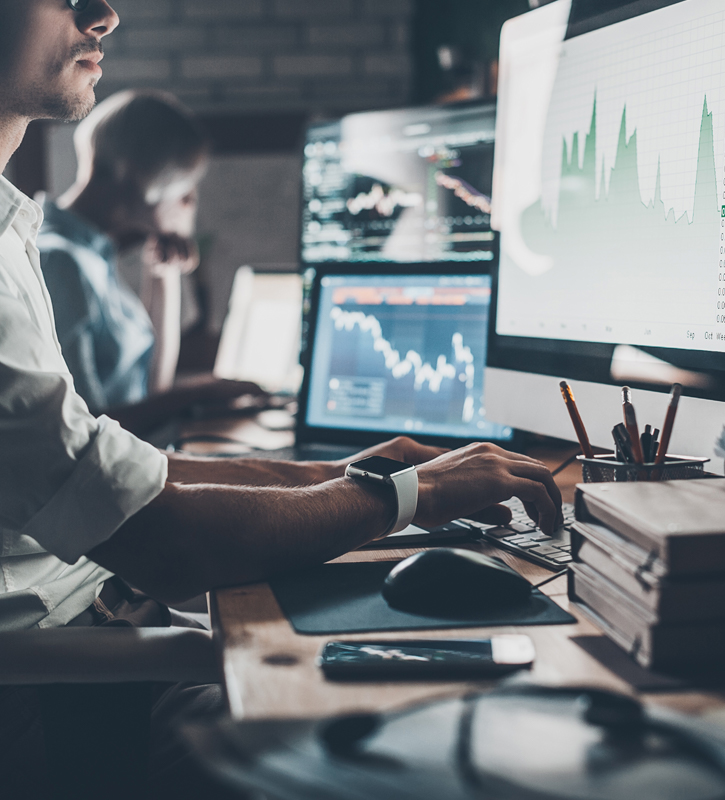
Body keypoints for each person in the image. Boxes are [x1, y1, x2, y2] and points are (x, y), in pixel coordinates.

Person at [0, 0, 561, 796]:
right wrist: (403, 496)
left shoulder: (11, 233)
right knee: (444, 749)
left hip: (102, 627)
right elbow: (163, 542)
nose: (104, 13)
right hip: (66, 700)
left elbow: (129, 467)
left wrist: (354, 476)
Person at [37, 87, 269, 436]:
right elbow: (87, 428)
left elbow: (152, 386)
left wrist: (162, 275)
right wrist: (201, 392)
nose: (189, 201)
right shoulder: (61, 262)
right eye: (184, 186)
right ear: (143, 179)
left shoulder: (93, 254)